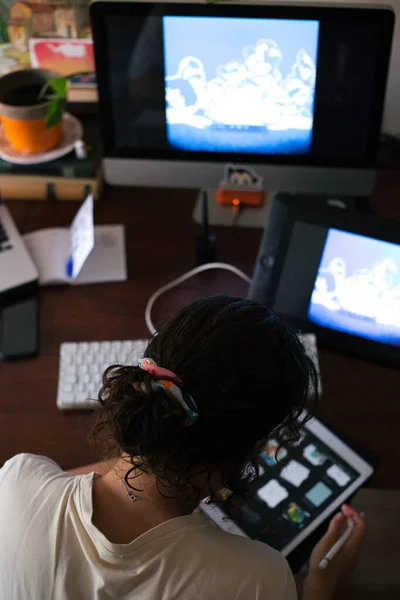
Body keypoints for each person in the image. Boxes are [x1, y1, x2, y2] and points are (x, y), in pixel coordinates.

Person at [0, 296, 365, 599]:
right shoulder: (257, 580)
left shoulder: (17, 483)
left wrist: (149, 447)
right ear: (251, 449)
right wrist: (319, 585)